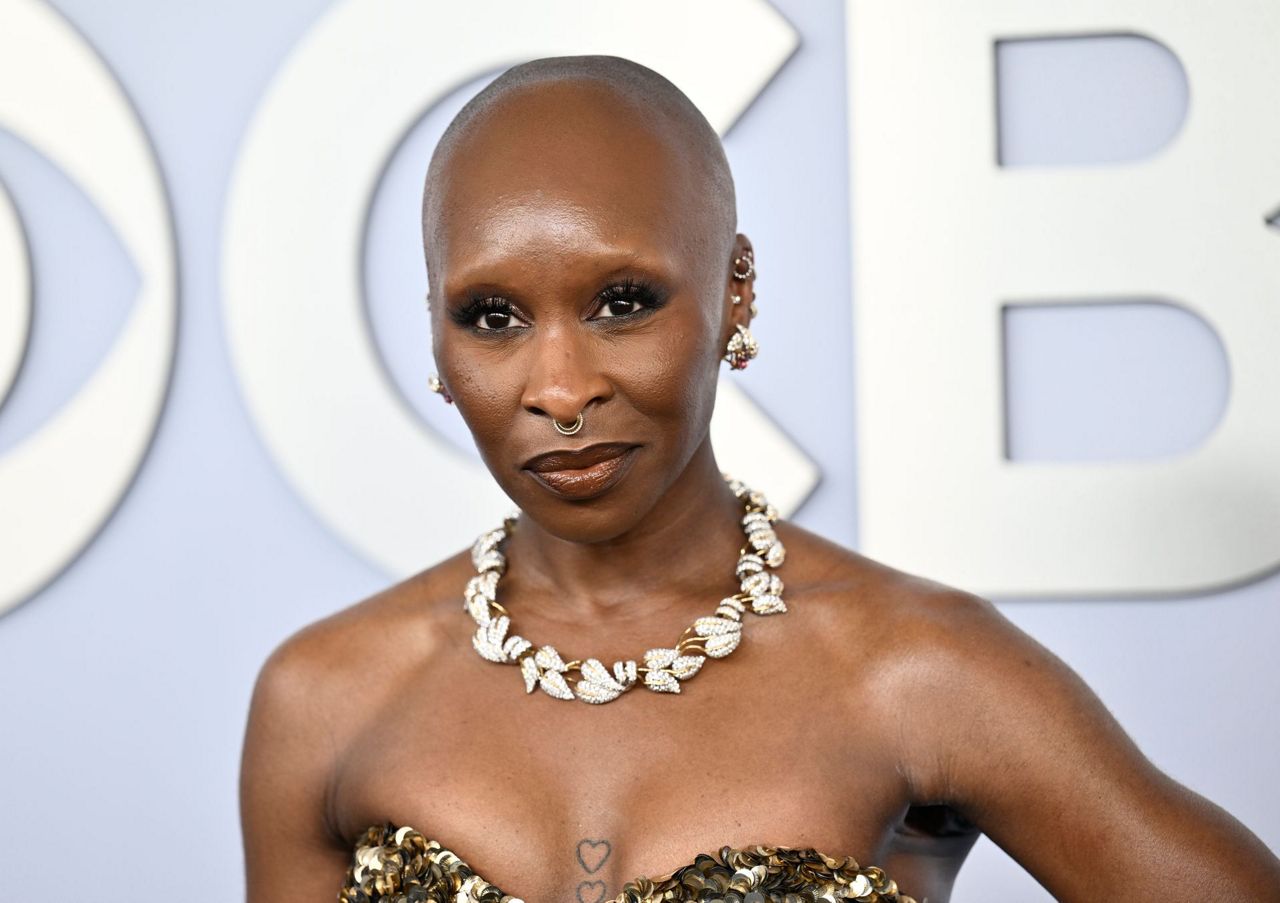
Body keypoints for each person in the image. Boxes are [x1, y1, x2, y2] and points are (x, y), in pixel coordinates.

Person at [238, 55, 1280, 903]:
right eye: (491, 317)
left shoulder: (917, 670)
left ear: (734, 290)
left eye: (622, 302)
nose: (559, 388)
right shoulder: (326, 697)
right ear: (435, 328)